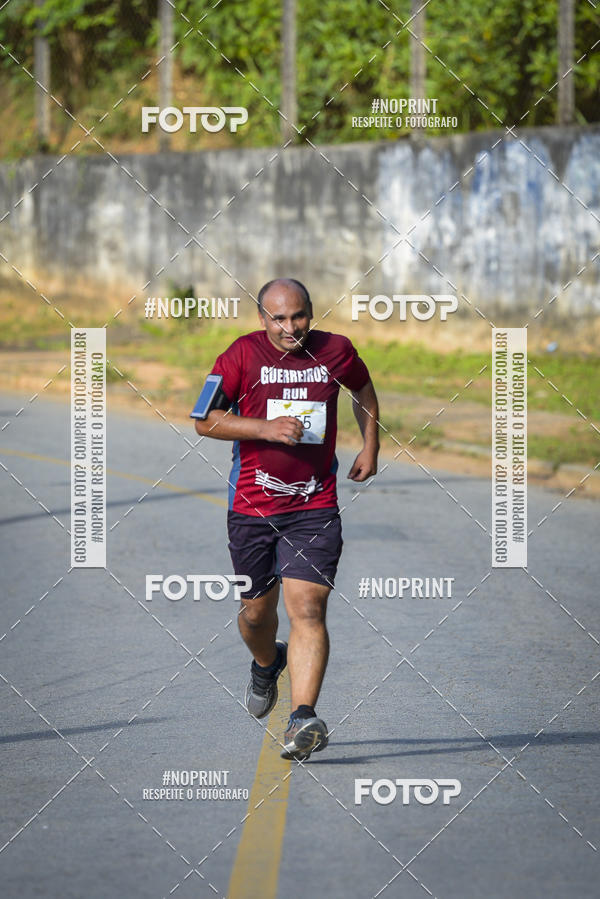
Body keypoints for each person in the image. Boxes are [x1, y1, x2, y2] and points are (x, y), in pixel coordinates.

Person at [193, 278, 379, 760]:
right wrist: (264, 428)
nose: (290, 327)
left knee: (308, 609)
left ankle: (303, 717)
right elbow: (203, 419)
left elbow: (361, 387)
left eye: (298, 316)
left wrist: (371, 444)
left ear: (311, 312)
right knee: (256, 614)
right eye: (278, 318)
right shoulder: (240, 355)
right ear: (262, 318)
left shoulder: (336, 350)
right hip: (252, 507)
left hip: (314, 506)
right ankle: (266, 661)